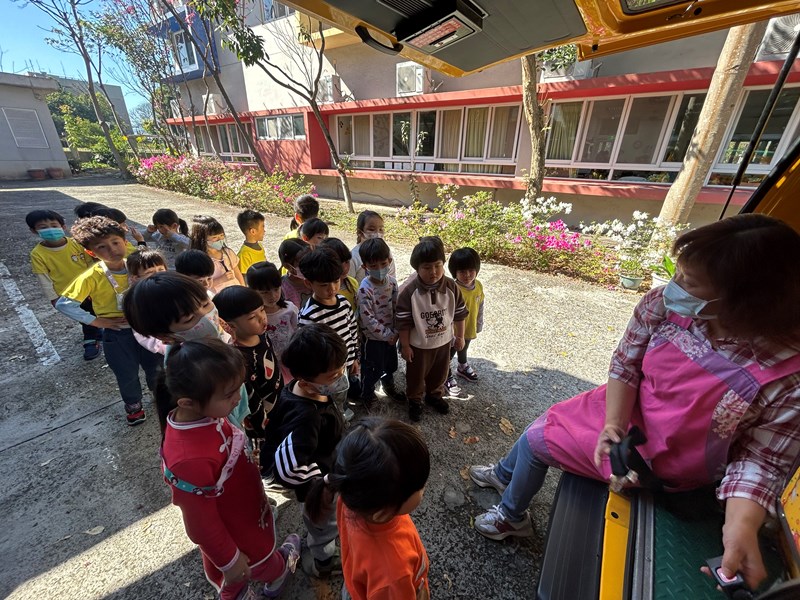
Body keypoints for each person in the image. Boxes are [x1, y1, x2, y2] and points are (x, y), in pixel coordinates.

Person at [469, 215, 800, 591]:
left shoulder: (788, 374)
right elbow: (625, 364)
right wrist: (613, 423)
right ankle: (504, 476)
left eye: (689, 283)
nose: (673, 287)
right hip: (623, 415)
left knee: (537, 440)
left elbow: (762, 459)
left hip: (663, 462)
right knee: (544, 423)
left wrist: (741, 525)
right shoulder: (662, 305)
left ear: (742, 301)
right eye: (677, 272)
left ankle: (512, 516)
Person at [156, 339, 300, 599]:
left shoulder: (204, 413)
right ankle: (278, 574)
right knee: (252, 566)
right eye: (229, 394)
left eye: (239, 388)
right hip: (236, 528)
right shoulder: (189, 460)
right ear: (187, 402)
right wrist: (229, 560)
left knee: (241, 574)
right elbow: (200, 524)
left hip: (241, 507)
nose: (239, 398)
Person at [305, 417, 431, 600]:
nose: (424, 488)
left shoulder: (350, 498)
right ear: (382, 513)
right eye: (419, 486)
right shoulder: (393, 573)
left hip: (359, 583)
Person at [55, 216, 161, 425]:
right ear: (91, 252)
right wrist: (96, 322)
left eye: (115, 242)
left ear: (125, 240)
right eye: (102, 247)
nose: (112, 250)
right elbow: (64, 303)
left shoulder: (137, 260)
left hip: (148, 327)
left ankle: (160, 395)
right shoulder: (92, 276)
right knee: (126, 373)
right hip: (118, 334)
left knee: (156, 368)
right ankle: (134, 405)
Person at [261, 324, 346, 578]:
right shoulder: (306, 417)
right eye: (333, 375)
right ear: (307, 384)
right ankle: (323, 563)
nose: (340, 377)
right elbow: (287, 469)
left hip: (325, 462)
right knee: (324, 526)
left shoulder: (305, 393)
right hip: (320, 490)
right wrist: (323, 483)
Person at [123, 272, 249, 428]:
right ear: (166, 336)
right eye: (189, 318)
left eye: (205, 304)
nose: (207, 316)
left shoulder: (211, 344)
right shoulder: (191, 369)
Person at [396, 237, 468, 422]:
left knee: (440, 372)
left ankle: (434, 395)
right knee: (416, 376)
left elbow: (460, 314)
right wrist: (405, 346)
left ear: (443, 264)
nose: (433, 272)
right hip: (419, 345)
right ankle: (414, 400)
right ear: (417, 268)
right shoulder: (410, 292)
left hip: (444, 342)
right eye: (427, 267)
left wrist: (459, 336)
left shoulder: (452, 286)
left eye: (437, 265)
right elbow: (403, 322)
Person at [213, 286, 283, 466]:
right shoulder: (238, 358)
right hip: (261, 420)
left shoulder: (260, 334)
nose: (262, 318)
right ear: (231, 325)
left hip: (278, 402)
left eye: (262, 310)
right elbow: (251, 400)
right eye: (252, 317)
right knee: (266, 451)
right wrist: (262, 427)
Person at [26, 209, 101, 360]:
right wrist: (53, 298)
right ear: (34, 231)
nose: (50, 229)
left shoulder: (76, 244)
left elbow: (91, 266)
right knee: (84, 314)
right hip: (68, 293)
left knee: (95, 312)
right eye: (43, 227)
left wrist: (96, 286)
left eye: (53, 225)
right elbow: (44, 278)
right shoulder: (38, 253)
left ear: (63, 226)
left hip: (90, 288)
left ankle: (96, 331)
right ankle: (90, 340)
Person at [298, 249, 360, 420]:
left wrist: (354, 358)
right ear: (309, 284)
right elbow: (309, 349)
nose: (332, 288)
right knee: (326, 398)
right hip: (326, 370)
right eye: (324, 285)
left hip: (344, 363)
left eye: (335, 281)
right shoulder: (309, 315)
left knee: (342, 392)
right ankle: (332, 417)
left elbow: (352, 330)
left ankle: (341, 410)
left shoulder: (344, 303)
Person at [357, 238, 405, 407]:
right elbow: (368, 319)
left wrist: (397, 331)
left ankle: (388, 385)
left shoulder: (392, 282)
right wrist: (388, 335)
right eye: (373, 266)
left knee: (390, 365)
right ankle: (367, 395)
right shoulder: (364, 288)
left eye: (383, 264)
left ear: (389, 261)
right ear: (365, 267)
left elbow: (397, 307)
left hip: (391, 336)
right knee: (371, 369)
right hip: (374, 339)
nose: (379, 269)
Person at [246, 261, 298, 384]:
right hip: (268, 366)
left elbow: (298, 331)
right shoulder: (251, 316)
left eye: (276, 289)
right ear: (252, 291)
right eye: (265, 292)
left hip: (291, 361)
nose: (273, 296)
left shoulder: (289, 309)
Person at [445, 247, 485, 396]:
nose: (467, 275)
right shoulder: (453, 289)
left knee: (464, 347)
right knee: (449, 354)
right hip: (453, 332)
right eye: (462, 272)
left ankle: (462, 366)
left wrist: (478, 324)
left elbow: (480, 305)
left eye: (471, 270)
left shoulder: (478, 285)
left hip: (469, 328)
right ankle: (446, 375)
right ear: (454, 272)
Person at [190, 215, 245, 293]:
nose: (220, 239)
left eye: (222, 235)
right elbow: (201, 286)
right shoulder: (199, 260)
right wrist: (221, 279)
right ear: (202, 238)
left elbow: (237, 273)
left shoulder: (228, 253)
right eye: (215, 237)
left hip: (237, 293)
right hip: (218, 297)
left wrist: (244, 289)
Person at [349, 210, 396, 283]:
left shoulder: (386, 251)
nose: (377, 233)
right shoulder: (353, 257)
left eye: (381, 229)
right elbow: (349, 284)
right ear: (359, 232)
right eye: (371, 229)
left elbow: (392, 276)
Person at [318, 237, 359, 315]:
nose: (344, 268)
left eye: (347, 262)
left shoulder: (353, 283)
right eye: (339, 263)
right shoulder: (325, 291)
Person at [277, 238, 311, 308]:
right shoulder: (281, 288)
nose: (310, 266)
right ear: (288, 266)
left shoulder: (317, 280)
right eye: (304, 264)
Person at [236, 209, 267, 274]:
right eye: (262, 227)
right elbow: (244, 278)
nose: (264, 231)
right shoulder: (244, 254)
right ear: (253, 231)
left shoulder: (260, 246)